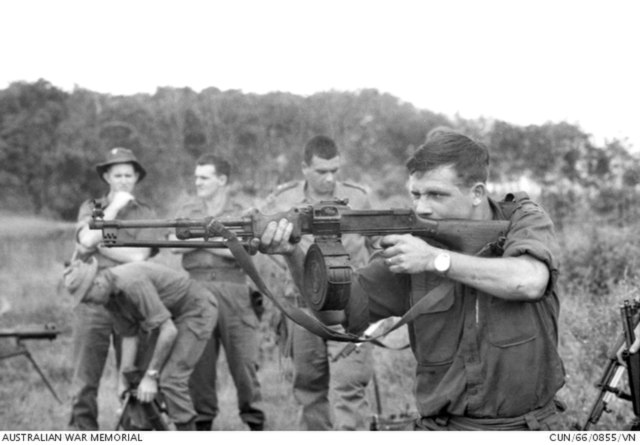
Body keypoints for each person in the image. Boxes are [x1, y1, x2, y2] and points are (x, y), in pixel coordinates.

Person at [258, 131, 566, 431]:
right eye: (416, 194)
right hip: (442, 427)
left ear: (477, 192)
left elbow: (529, 280)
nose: (421, 207)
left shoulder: (522, 220)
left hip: (527, 428)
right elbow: (336, 315)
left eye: (436, 195)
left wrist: (435, 260)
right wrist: (293, 254)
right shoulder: (413, 246)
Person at [262, 135, 376, 430]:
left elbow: (379, 249)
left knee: (348, 391)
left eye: (334, 171)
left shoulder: (358, 199)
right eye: (321, 171)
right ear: (304, 168)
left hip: (349, 312)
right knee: (309, 393)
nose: (329, 178)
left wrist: (379, 309)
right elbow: (263, 242)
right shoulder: (283, 201)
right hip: (304, 313)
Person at [169, 154, 265, 431]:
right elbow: (173, 242)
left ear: (222, 180)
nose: (197, 182)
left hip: (234, 291)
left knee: (245, 365)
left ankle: (256, 424)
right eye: (196, 177)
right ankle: (202, 427)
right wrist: (220, 241)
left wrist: (196, 239)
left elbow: (243, 250)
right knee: (199, 367)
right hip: (196, 290)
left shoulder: (242, 210)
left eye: (204, 177)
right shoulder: (188, 207)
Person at [64, 258, 218, 430]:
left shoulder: (132, 284)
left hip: (195, 310)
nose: (89, 304)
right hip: (168, 318)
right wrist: (123, 382)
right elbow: (130, 337)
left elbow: (168, 332)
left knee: (170, 380)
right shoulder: (109, 297)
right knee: (136, 383)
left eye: (87, 298)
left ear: (98, 283)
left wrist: (151, 376)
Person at [68, 147, 157, 430]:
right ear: (107, 176)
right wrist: (115, 208)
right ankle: (82, 433)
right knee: (84, 380)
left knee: (132, 375)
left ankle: (132, 432)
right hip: (93, 299)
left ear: (136, 179)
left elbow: (141, 256)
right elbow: (85, 241)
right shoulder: (91, 207)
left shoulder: (146, 212)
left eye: (128, 175)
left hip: (131, 298)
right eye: (116, 175)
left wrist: (104, 246)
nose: (122, 180)